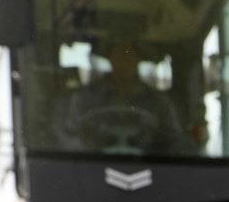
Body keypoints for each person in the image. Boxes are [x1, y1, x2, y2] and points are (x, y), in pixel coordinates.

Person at [55, 42, 193, 156]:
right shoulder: (85, 98)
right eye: (119, 55)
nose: (124, 61)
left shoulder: (159, 102)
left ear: (138, 59)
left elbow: (175, 140)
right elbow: (69, 136)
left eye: (130, 56)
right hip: (93, 168)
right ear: (111, 58)